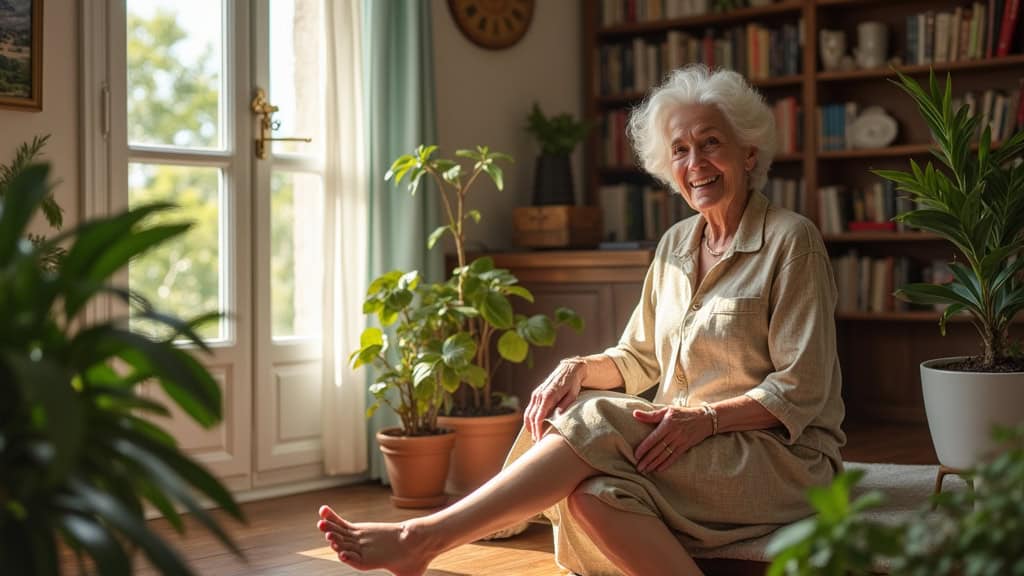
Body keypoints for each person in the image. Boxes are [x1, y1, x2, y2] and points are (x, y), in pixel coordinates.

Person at [317, 64, 846, 576]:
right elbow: (639, 358)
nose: (695, 163)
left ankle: (422, 538)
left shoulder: (790, 241)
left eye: (711, 143)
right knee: (591, 496)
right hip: (687, 446)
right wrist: (576, 367)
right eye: (680, 151)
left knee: (598, 419)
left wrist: (704, 419)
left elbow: (801, 388)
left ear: (749, 153)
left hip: (781, 461)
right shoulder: (674, 246)